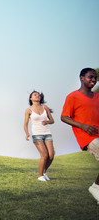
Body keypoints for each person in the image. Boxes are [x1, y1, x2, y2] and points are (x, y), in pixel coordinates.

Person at [61, 68, 99, 204]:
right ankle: (95, 187)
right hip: (87, 137)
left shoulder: (97, 97)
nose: (93, 80)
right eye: (90, 77)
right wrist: (83, 126)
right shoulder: (72, 97)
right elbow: (64, 117)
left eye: (95, 78)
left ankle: (96, 186)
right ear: (82, 78)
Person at [24, 91, 55, 181]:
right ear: (31, 98)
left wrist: (47, 122)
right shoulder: (28, 110)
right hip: (37, 135)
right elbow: (25, 124)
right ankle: (40, 176)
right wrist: (27, 133)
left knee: (51, 155)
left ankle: (44, 172)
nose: (37, 96)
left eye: (38, 95)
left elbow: (52, 120)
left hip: (47, 133)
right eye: (35, 95)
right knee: (44, 155)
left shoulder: (45, 108)